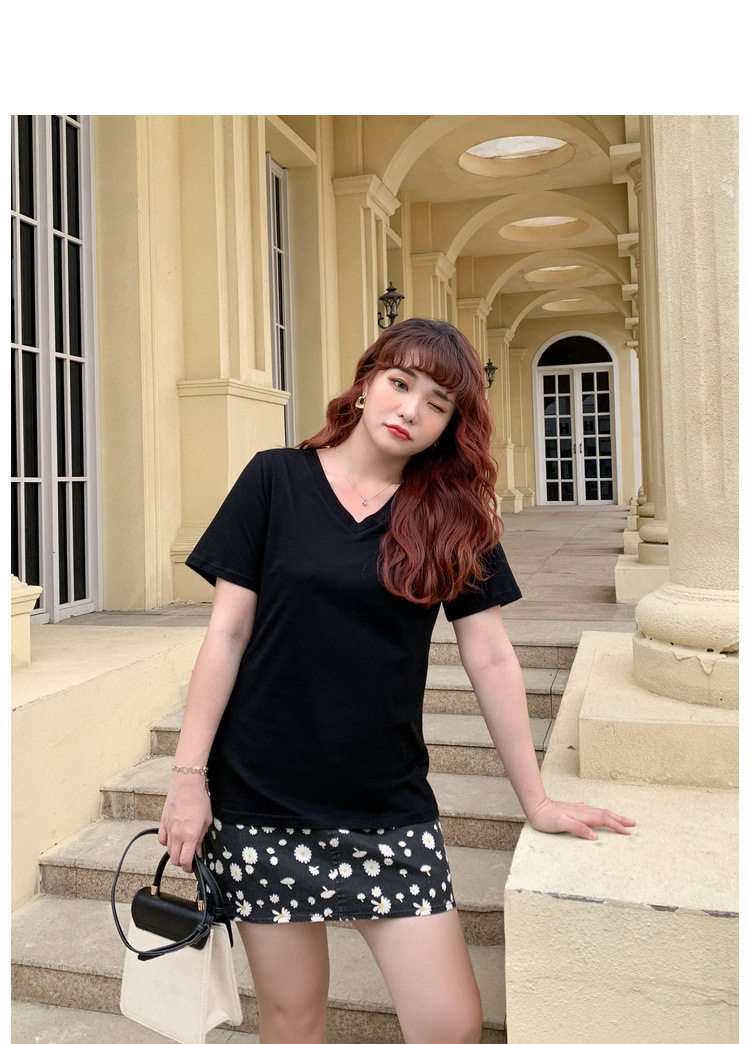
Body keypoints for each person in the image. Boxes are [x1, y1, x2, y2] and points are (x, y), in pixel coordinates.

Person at [159, 317, 635, 1044]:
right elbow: (226, 633)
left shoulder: (455, 515)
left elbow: (490, 656)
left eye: (436, 403)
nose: (410, 409)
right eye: (400, 383)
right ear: (366, 383)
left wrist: (534, 798)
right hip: (261, 796)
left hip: (387, 804)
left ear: (450, 426)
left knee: (450, 1024)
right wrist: (188, 778)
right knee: (292, 1018)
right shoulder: (274, 480)